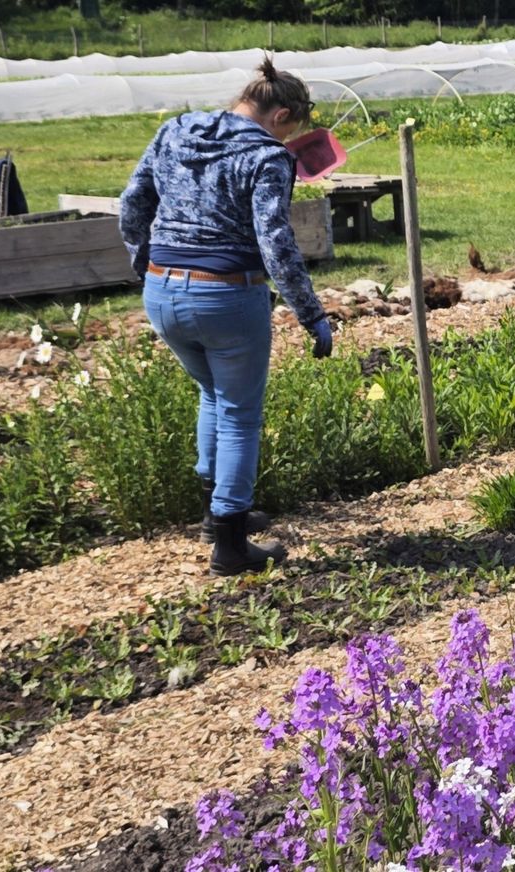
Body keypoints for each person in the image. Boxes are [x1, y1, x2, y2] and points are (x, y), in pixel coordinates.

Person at [120, 58, 333, 576]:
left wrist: (146, 262)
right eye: (294, 127)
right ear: (281, 114)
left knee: (212, 394)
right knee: (240, 414)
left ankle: (218, 515)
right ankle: (231, 547)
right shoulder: (266, 156)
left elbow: (132, 204)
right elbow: (276, 245)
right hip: (226, 296)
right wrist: (312, 315)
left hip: (162, 291)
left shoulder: (174, 130)